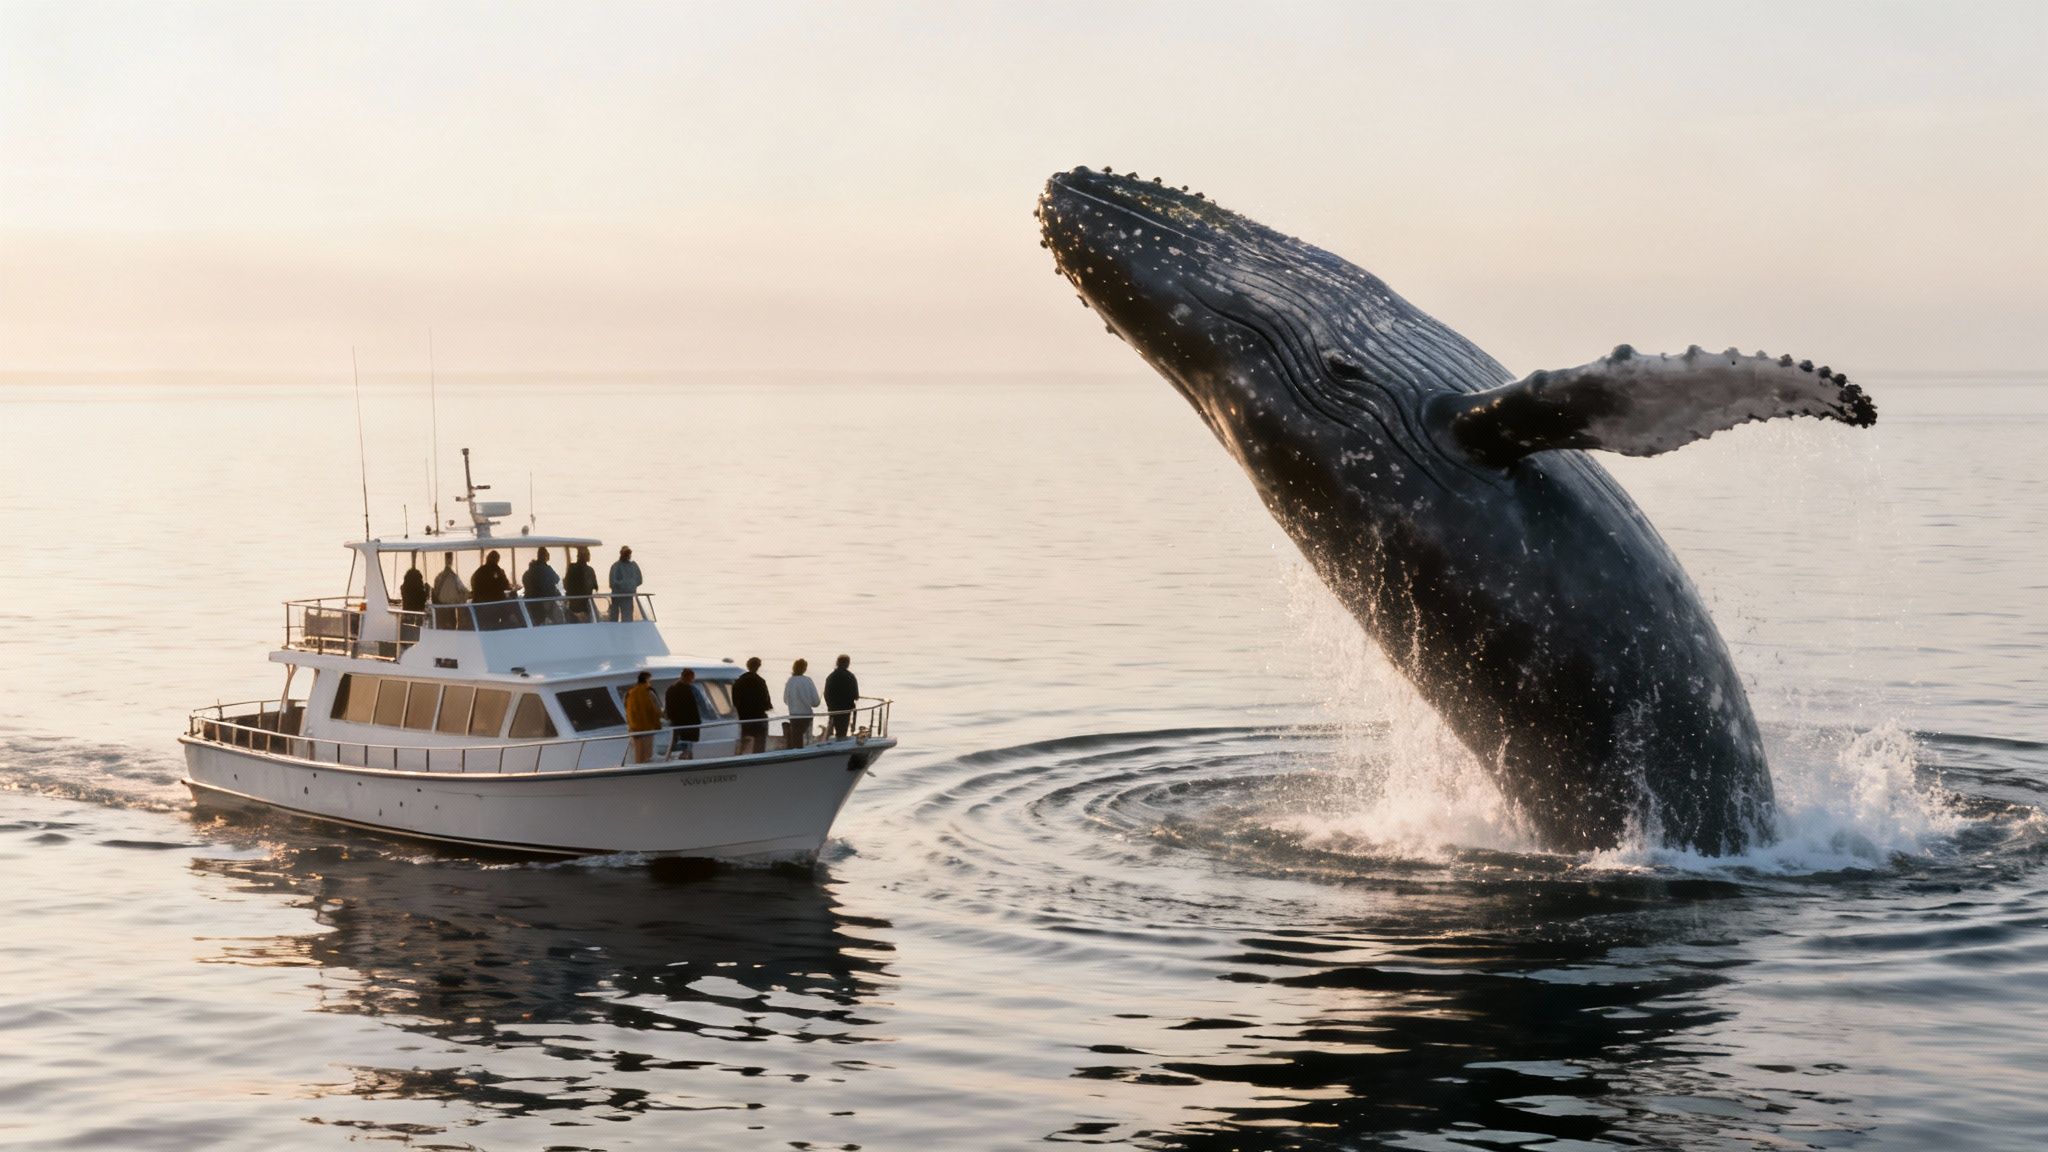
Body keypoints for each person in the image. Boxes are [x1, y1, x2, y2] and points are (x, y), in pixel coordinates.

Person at [732, 657, 772, 755]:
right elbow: (767, 702)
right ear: (758, 667)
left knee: (743, 738)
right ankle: (758, 756)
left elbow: (734, 701)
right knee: (760, 739)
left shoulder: (739, 681)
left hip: (743, 717)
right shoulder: (761, 682)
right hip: (758, 717)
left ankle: (740, 754)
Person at [624, 670, 661, 763]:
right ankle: (647, 769)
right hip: (647, 726)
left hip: (634, 727)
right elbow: (656, 709)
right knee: (648, 753)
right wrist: (657, 724)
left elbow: (626, 708)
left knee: (638, 751)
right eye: (650, 680)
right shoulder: (649, 692)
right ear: (647, 679)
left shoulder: (630, 692)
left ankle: (638, 768)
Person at [784, 658, 820, 749]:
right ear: (804, 669)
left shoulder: (790, 681)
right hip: (806, 716)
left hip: (793, 715)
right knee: (805, 739)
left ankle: (795, 752)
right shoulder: (808, 681)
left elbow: (785, 700)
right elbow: (815, 702)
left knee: (796, 737)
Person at [665, 668, 702, 756]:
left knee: (676, 742)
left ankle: (672, 757)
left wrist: (671, 718)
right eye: (692, 678)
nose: (693, 680)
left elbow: (668, 707)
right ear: (689, 677)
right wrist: (697, 721)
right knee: (687, 744)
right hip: (688, 722)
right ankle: (686, 757)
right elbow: (696, 705)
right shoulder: (689, 690)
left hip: (676, 722)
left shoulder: (671, 689)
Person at [522, 547, 563, 623]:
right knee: (560, 620)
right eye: (547, 554)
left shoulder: (530, 570)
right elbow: (556, 579)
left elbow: (525, 581)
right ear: (544, 556)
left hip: (533, 601)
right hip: (546, 600)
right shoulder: (547, 569)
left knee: (538, 621)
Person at [824, 653, 860, 740]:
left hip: (833, 708)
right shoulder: (850, 676)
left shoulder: (831, 677)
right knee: (842, 732)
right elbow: (856, 696)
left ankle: (829, 742)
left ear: (837, 663)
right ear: (847, 663)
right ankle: (840, 742)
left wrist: (829, 705)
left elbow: (826, 693)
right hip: (845, 709)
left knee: (831, 728)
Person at [430, 552, 469, 630]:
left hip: (440, 609)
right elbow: (463, 591)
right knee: (451, 628)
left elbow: (435, 591)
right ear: (451, 560)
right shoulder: (454, 577)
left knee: (443, 630)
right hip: (451, 608)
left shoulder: (439, 577)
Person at [608, 546, 642, 622]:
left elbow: (639, 580)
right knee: (614, 618)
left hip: (628, 597)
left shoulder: (633, 566)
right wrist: (624, 585)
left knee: (628, 619)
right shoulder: (616, 566)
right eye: (625, 553)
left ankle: (627, 631)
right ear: (621, 554)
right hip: (617, 596)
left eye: (628, 553)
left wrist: (630, 586)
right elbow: (612, 583)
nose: (627, 555)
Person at [564, 546, 598, 622]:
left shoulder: (572, 568)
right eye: (588, 554)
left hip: (574, 604)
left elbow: (566, 584)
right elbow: (595, 586)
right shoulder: (589, 570)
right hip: (583, 605)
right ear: (583, 556)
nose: (589, 556)